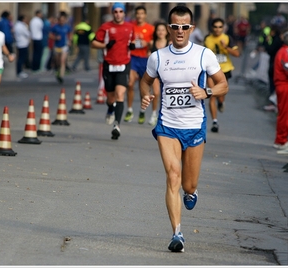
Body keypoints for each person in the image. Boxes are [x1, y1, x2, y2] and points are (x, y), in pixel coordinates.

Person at [139, 5, 228, 252]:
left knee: (188, 185)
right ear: (169, 28)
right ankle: (177, 233)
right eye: (175, 27)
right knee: (173, 176)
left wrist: (207, 91)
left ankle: (191, 192)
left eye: (184, 27)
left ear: (191, 28)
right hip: (168, 125)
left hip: (195, 126)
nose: (180, 31)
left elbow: (223, 85)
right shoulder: (158, 57)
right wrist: (144, 97)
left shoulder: (203, 55)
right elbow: (145, 82)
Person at [91, 2, 135, 140]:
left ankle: (117, 125)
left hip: (124, 64)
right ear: (112, 13)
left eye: (120, 11)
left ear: (124, 13)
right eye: (115, 11)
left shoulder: (130, 27)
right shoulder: (106, 27)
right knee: (110, 98)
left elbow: (132, 42)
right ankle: (110, 108)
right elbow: (93, 43)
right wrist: (105, 45)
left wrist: (133, 45)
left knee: (120, 93)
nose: (118, 14)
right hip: (109, 64)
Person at [204, 17, 240, 133]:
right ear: (212, 28)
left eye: (220, 27)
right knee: (212, 94)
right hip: (210, 70)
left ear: (223, 28)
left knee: (221, 93)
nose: (217, 29)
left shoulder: (227, 38)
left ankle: (221, 102)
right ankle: (215, 121)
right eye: (215, 27)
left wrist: (226, 48)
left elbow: (237, 53)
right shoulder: (207, 39)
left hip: (224, 69)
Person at [124, 6, 154, 124]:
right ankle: (130, 110)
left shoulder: (151, 28)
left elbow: (154, 43)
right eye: (138, 13)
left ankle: (142, 110)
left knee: (143, 87)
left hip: (145, 59)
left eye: (142, 13)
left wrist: (148, 44)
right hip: (133, 58)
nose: (140, 16)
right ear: (135, 15)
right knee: (130, 83)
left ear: (145, 15)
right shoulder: (130, 26)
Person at [148, 22, 171, 126]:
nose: (161, 32)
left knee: (166, 95)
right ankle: (153, 114)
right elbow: (149, 58)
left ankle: (166, 115)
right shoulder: (152, 43)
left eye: (163, 30)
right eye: (158, 30)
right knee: (156, 93)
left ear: (166, 31)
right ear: (155, 32)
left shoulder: (170, 44)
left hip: (167, 73)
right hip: (156, 73)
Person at [49, 12, 72, 84]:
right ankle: (57, 69)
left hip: (64, 46)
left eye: (63, 20)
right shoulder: (55, 27)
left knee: (62, 60)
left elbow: (70, 34)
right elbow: (50, 35)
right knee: (57, 61)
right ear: (58, 20)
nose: (62, 22)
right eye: (60, 20)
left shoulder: (67, 27)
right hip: (57, 46)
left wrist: (69, 41)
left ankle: (61, 76)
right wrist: (55, 37)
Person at [13, 15, 30, 79]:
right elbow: (27, 34)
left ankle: (20, 71)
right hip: (23, 44)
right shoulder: (22, 26)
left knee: (20, 58)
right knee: (21, 58)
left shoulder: (17, 25)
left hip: (20, 43)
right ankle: (19, 71)